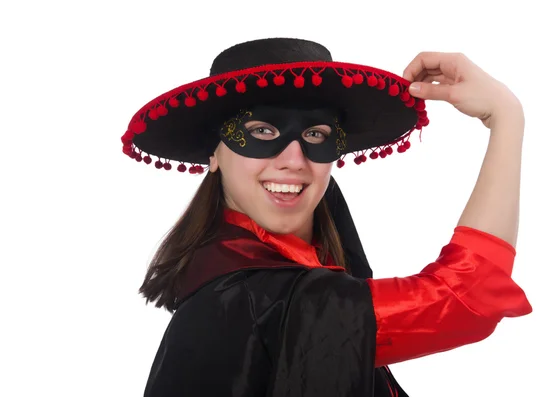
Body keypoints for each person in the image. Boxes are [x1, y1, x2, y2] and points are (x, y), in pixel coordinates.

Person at [121, 38, 532, 397]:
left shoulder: (290, 272)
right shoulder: (258, 301)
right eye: (262, 131)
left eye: (316, 135)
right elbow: (467, 295)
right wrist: (505, 117)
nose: (294, 160)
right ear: (214, 153)